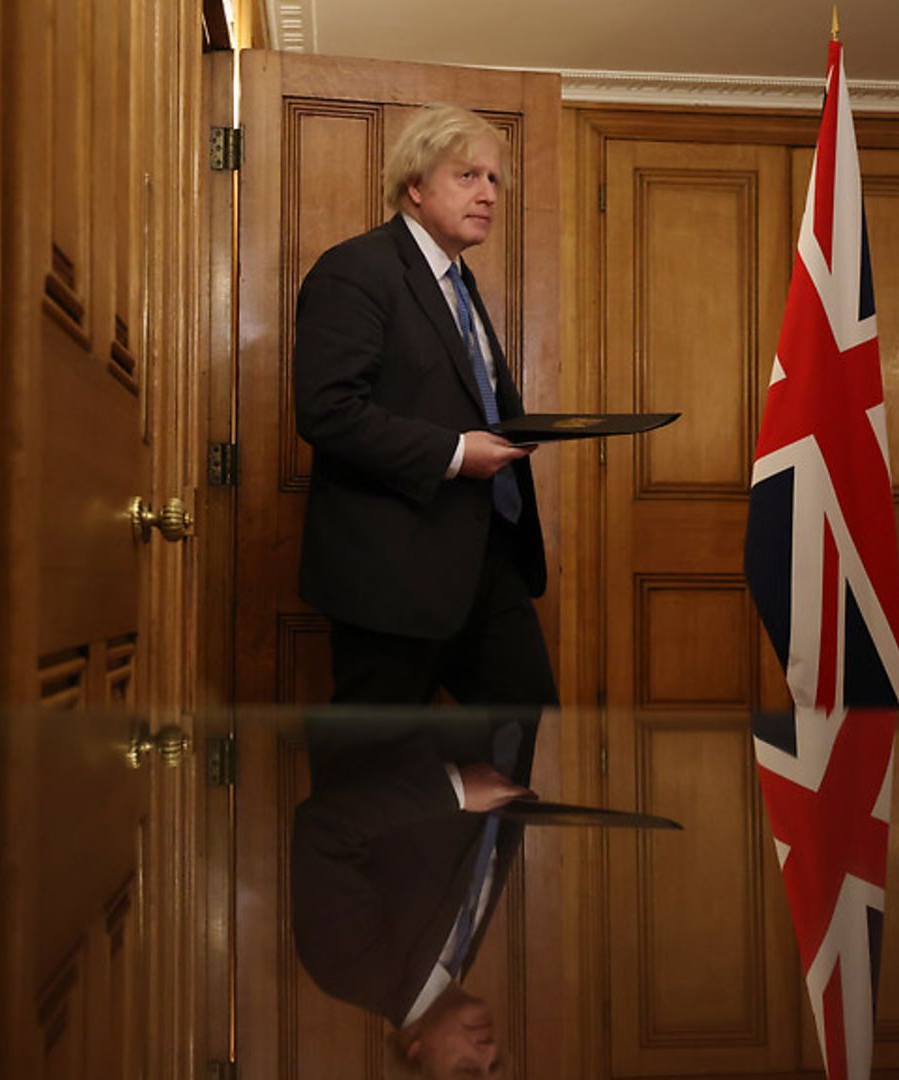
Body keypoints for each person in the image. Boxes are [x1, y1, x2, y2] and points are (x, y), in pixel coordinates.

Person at [292, 103, 557, 710]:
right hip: (391, 577)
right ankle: (455, 800)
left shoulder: (459, 283)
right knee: (376, 770)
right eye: (468, 176)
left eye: (494, 179)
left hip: (491, 564)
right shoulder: (356, 269)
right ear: (414, 186)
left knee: (530, 743)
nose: (488, 193)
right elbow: (328, 411)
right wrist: (460, 453)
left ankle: (468, 804)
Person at [290, 712, 537, 1078]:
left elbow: (323, 829)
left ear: (416, 1055)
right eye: (496, 1066)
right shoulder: (456, 960)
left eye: (468, 1071)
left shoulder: (348, 970)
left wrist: (456, 789)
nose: (487, 1050)